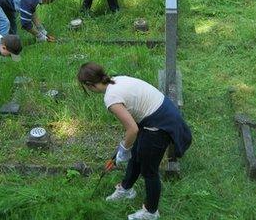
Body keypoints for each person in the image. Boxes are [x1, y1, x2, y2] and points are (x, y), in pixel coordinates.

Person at [77, 62, 192, 220]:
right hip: (160, 114)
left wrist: (123, 150)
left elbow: (132, 129)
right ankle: (126, 190)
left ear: (89, 84)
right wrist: (126, 148)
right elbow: (134, 125)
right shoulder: (116, 80)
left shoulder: (111, 98)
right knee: (137, 153)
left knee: (149, 171)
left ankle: (151, 212)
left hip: (160, 123)